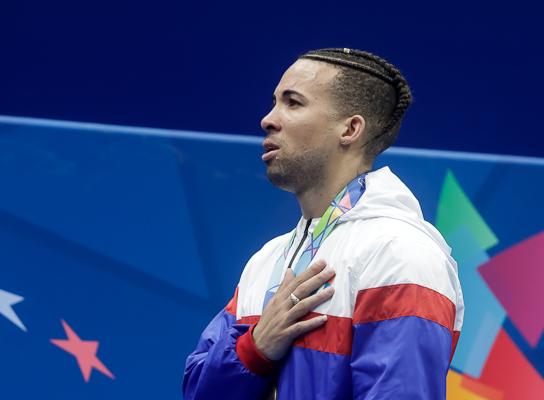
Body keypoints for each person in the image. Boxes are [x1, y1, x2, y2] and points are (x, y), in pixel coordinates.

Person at [183, 48, 464, 399]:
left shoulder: (399, 254)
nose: (268, 119)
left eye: (293, 103)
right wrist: (254, 349)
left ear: (350, 129)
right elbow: (198, 391)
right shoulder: (267, 259)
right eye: (274, 102)